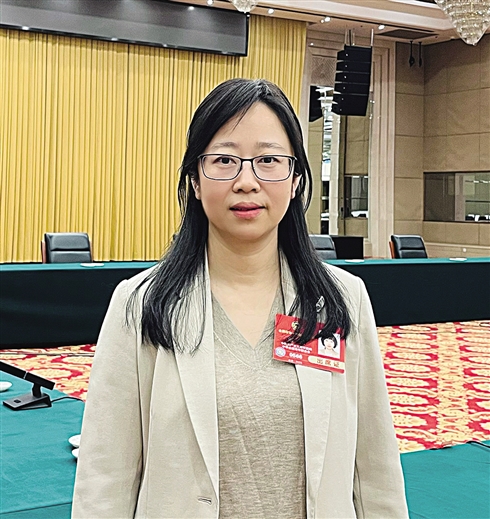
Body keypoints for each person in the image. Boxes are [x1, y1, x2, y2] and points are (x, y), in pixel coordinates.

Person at [72, 78, 408, 519]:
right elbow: (105, 477)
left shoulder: (342, 299)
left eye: (269, 160)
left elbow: (375, 466)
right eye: (224, 160)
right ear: (195, 180)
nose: (246, 182)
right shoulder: (140, 304)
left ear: (296, 181)